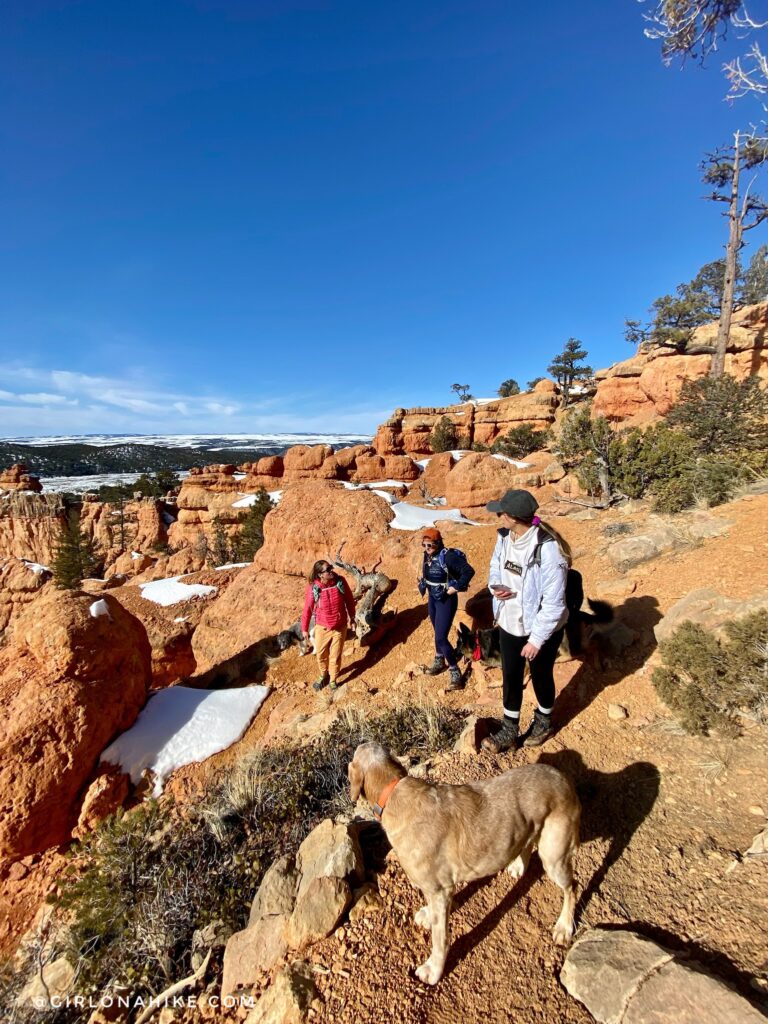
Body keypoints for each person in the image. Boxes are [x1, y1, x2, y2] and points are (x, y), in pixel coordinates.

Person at [481, 489, 568, 752]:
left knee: (541, 675)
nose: (498, 516)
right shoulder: (505, 537)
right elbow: (496, 565)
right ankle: (509, 728)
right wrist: (496, 586)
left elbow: (554, 603)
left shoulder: (548, 549)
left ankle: (544, 720)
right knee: (511, 674)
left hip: (541, 627)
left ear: (513, 517)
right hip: (510, 620)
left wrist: (537, 639)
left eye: (501, 513)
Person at [417, 527, 475, 690]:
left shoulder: (448, 556)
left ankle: (455, 672)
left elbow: (468, 571)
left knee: (441, 637)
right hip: (433, 599)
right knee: (437, 633)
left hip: (446, 601)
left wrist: (453, 588)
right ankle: (439, 659)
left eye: (430, 546)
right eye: (425, 545)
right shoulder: (427, 555)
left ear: (438, 543)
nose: (427, 549)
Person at [301, 559, 356, 692]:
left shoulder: (340, 582)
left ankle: (333, 680)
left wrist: (352, 618)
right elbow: (308, 608)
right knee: (320, 654)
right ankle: (324, 674)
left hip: (340, 625)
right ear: (320, 574)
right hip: (322, 626)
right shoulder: (314, 587)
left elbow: (349, 600)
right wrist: (304, 629)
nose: (332, 571)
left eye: (331, 568)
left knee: (335, 655)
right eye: (328, 570)